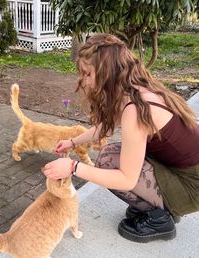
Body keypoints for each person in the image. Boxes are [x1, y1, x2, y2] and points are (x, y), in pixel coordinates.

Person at [43, 33, 199, 243]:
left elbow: (127, 179)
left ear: (107, 73)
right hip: (183, 169)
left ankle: (160, 219)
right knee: (110, 154)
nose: (85, 82)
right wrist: (72, 142)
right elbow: (106, 126)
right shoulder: (135, 90)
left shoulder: (135, 110)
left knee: (108, 164)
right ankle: (161, 206)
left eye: (88, 74)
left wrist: (73, 167)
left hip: (192, 184)